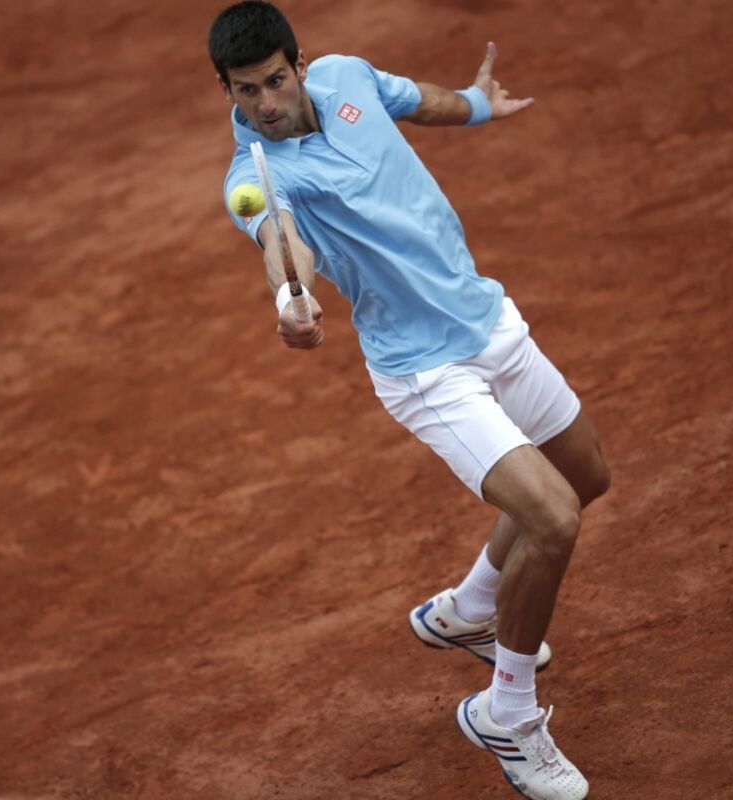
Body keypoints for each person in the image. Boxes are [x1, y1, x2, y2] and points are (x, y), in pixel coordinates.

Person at [209, 2, 610, 799]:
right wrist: (291, 299)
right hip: (427, 372)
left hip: (489, 320)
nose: (265, 104)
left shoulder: (348, 77)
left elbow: (415, 100)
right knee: (553, 519)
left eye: (275, 81)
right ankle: (506, 713)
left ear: (300, 64)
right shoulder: (256, 177)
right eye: (245, 91)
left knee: (587, 476)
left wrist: (477, 104)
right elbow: (282, 240)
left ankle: (470, 608)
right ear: (228, 90)